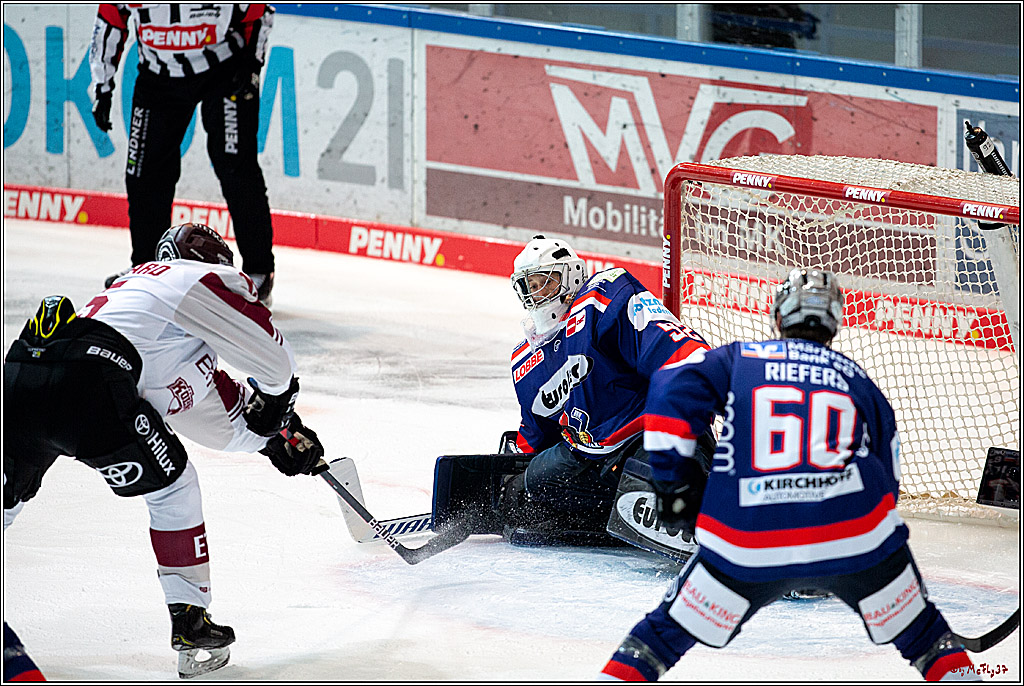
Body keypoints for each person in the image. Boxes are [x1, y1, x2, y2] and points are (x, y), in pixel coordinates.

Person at [599, 268, 981, 682]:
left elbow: (670, 391)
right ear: (834, 322)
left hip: (746, 540)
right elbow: (889, 483)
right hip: (855, 538)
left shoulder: (741, 358)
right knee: (926, 636)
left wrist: (674, 485)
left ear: (778, 317)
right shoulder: (858, 380)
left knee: (661, 636)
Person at [3, 223, 324, 679]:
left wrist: (272, 439)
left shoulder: (146, 308)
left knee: (6, 505)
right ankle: (191, 623)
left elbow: (218, 418)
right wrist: (278, 401)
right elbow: (275, 363)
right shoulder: (194, 277)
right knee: (174, 488)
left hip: (21, 372)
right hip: (90, 384)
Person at [500, 234, 715, 547]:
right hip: (585, 459)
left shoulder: (604, 296)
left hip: (645, 440)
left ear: (571, 275)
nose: (536, 295)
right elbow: (536, 432)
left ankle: (716, 521)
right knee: (532, 482)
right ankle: (615, 516)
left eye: (543, 282)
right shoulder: (527, 359)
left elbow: (670, 347)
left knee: (667, 478)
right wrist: (510, 475)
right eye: (528, 287)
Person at [89, 4, 277, 304]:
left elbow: (259, 11)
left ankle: (259, 270)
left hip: (225, 70)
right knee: (142, 171)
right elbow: (111, 19)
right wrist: (102, 85)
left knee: (235, 166)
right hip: (157, 76)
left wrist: (252, 66)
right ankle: (146, 267)